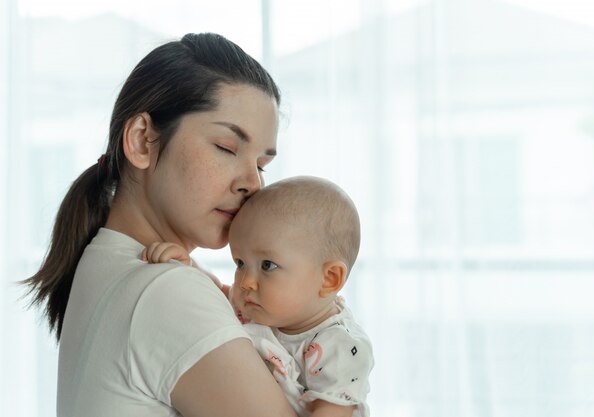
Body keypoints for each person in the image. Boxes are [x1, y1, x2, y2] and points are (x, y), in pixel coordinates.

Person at [22, 33, 297, 417]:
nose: (252, 183)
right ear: (141, 141)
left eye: (262, 165)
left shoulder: (105, 261)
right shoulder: (166, 289)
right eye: (227, 148)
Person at [142, 176, 375, 417]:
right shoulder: (256, 306)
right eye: (240, 263)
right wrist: (189, 267)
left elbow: (332, 412)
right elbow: (218, 296)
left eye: (268, 266)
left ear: (329, 279)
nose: (246, 282)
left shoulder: (341, 346)